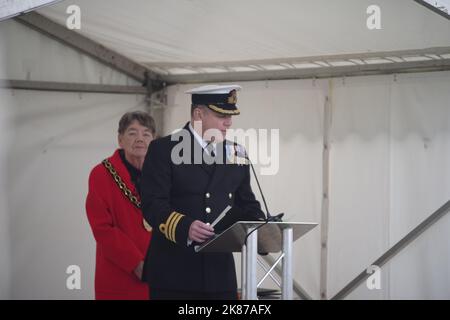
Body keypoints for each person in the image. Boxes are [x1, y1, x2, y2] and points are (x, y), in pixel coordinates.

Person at [141, 84, 265, 300]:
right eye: (221, 115)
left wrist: (264, 228)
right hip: (174, 273)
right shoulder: (163, 149)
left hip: (219, 276)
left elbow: (246, 204)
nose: (229, 122)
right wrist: (184, 226)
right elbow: (152, 204)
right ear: (198, 114)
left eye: (230, 116)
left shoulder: (237, 152)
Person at [85, 111, 155, 300]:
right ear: (120, 140)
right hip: (119, 277)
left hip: (159, 278)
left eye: (146, 134)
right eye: (132, 133)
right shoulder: (101, 174)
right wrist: (135, 263)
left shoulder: (162, 175)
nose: (140, 139)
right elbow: (102, 229)